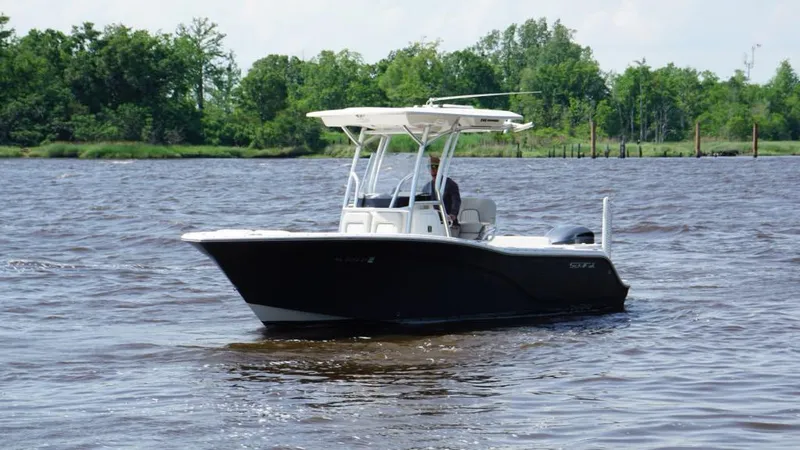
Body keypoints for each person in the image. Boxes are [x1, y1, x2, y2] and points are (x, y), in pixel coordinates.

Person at [424, 156, 461, 225]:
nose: (432, 169)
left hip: (449, 224)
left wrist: (453, 214)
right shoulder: (426, 187)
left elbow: (456, 202)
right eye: (429, 167)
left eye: (434, 166)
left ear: (440, 168)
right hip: (432, 223)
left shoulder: (451, 184)